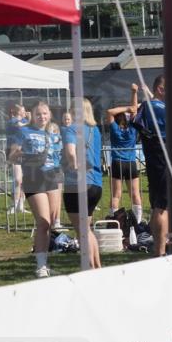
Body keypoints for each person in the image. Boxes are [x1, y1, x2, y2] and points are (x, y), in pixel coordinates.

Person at [7, 100, 63, 278]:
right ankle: (40, 265)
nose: (42, 117)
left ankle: (45, 263)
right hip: (33, 177)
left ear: (50, 115)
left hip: (51, 177)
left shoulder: (52, 134)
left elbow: (57, 157)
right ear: (32, 115)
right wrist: (25, 155)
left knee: (52, 222)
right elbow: (11, 156)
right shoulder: (23, 131)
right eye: (38, 114)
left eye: (45, 113)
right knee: (43, 222)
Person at [62, 99, 102, 269]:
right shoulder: (95, 130)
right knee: (87, 229)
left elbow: (71, 151)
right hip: (96, 184)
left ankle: (90, 267)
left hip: (76, 184)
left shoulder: (70, 129)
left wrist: (73, 164)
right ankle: (97, 265)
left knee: (81, 231)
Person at [132, 75, 168, 256]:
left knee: (159, 205)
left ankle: (159, 248)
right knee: (161, 206)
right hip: (161, 160)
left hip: (156, 161)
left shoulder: (151, 106)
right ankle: (160, 251)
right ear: (161, 89)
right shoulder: (159, 108)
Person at [104, 86, 142, 223]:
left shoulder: (114, 128)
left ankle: (114, 221)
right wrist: (134, 92)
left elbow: (109, 112)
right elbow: (134, 110)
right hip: (131, 163)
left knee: (116, 195)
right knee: (135, 194)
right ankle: (138, 220)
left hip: (117, 162)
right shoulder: (132, 128)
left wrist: (126, 108)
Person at [6, 103, 29, 214]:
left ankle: (21, 205)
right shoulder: (12, 121)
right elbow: (20, 126)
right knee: (17, 179)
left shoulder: (25, 122)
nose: (25, 112)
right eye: (23, 110)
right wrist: (31, 119)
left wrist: (29, 120)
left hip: (25, 152)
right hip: (14, 153)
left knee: (23, 181)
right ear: (18, 112)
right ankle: (14, 205)